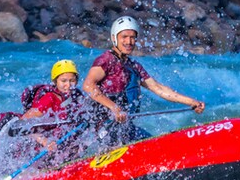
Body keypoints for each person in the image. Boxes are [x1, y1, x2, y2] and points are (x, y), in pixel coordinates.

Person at [82, 15, 204, 143]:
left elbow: (158, 88)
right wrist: (114, 108)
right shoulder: (106, 60)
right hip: (105, 127)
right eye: (124, 37)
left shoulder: (133, 66)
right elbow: (88, 86)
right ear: (114, 38)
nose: (129, 42)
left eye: (132, 37)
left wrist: (191, 102)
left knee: (155, 145)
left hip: (125, 127)